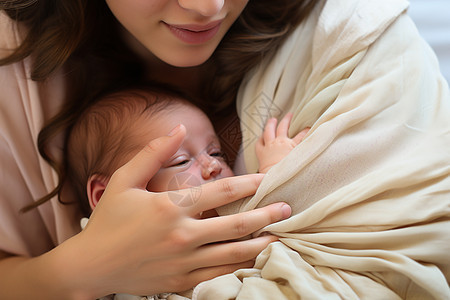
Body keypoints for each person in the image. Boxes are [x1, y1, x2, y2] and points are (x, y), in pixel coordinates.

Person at [1, 1, 449, 299]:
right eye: (179, 160)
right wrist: (80, 267)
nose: (208, 6)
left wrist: (271, 181)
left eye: (217, 152)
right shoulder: (15, 72)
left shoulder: (355, 41)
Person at [67, 85, 307, 300]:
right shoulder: (102, 271)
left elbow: (274, 220)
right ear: (105, 196)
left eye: (216, 153)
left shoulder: (235, 226)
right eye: (180, 161)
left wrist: (273, 176)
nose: (213, 166)